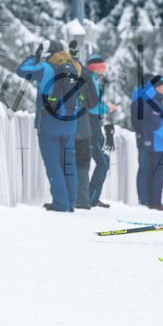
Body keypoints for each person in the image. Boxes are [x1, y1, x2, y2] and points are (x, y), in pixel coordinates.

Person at [16, 40, 82, 212]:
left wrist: (34, 56)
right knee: (68, 162)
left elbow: (21, 70)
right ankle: (71, 201)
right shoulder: (74, 67)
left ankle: (61, 203)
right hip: (70, 124)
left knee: (53, 164)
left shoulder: (45, 68)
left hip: (49, 124)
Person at [68, 41, 99, 210]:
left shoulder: (62, 73)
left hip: (67, 127)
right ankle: (83, 199)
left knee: (68, 162)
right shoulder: (86, 76)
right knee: (83, 164)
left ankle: (70, 197)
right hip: (84, 128)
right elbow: (94, 103)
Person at [84, 55, 117, 207]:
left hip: (89, 127)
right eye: (102, 68)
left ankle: (86, 197)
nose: (104, 71)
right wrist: (107, 108)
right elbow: (93, 107)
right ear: (95, 68)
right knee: (103, 161)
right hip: (92, 129)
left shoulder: (90, 80)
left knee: (86, 162)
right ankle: (91, 198)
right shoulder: (91, 81)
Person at [140, 75, 163, 210]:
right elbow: (154, 124)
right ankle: (156, 203)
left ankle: (153, 201)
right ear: (156, 87)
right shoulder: (153, 101)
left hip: (157, 143)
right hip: (157, 144)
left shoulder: (154, 100)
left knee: (153, 173)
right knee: (158, 174)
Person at [130, 74, 156, 206]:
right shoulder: (141, 98)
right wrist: (144, 134)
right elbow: (141, 120)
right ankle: (144, 199)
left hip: (146, 136)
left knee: (147, 168)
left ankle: (146, 199)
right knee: (145, 168)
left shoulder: (142, 97)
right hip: (144, 137)